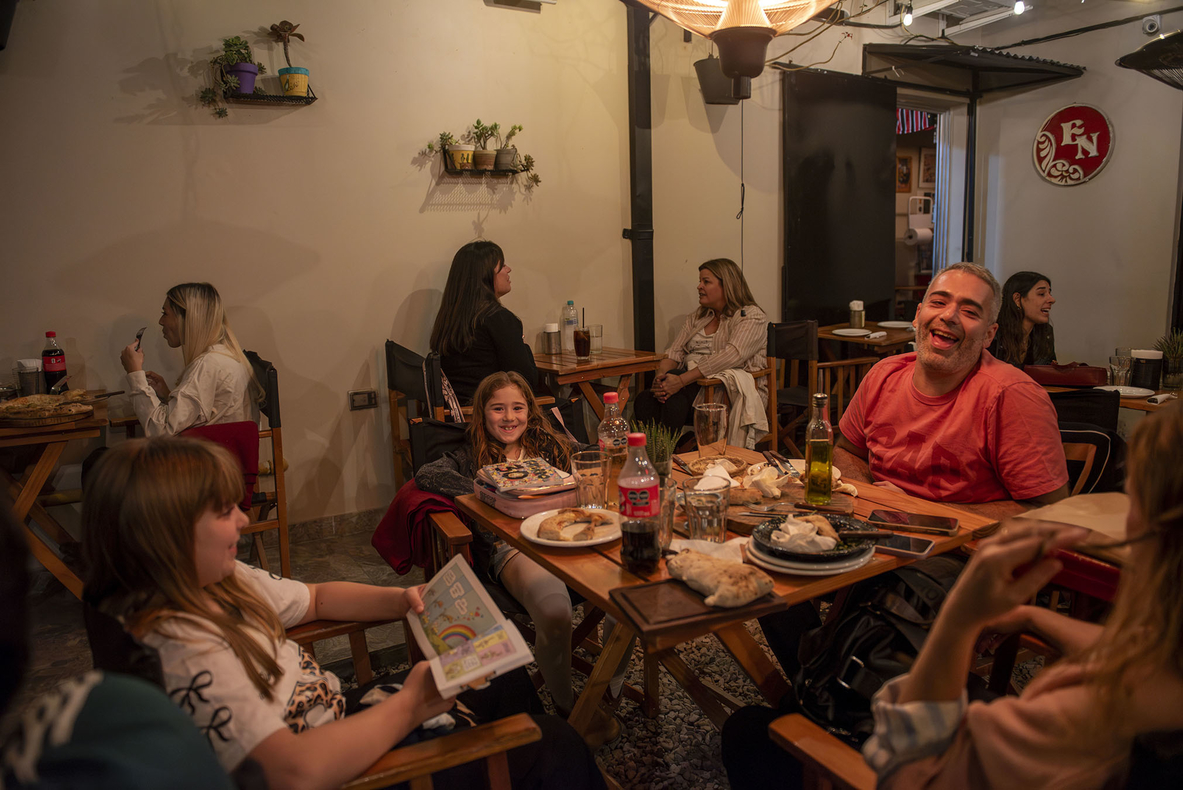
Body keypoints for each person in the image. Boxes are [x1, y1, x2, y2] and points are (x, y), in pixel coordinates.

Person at [81, 437, 603, 790]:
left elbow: (315, 600)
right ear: (167, 536)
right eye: (224, 511)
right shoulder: (185, 650)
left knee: (499, 670)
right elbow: (291, 774)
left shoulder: (217, 579)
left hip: (331, 712)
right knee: (554, 745)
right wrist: (411, 704)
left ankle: (503, 753)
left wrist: (402, 599)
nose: (243, 521)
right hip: (341, 761)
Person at [864, 401, 1183, 788]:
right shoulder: (1165, 661)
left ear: (1159, 533)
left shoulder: (1086, 720)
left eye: (1133, 497)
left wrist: (958, 620)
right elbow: (1144, 651)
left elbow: (903, 775)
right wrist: (1035, 616)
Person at [415, 371, 625, 747]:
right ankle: (570, 707)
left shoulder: (550, 443)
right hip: (512, 548)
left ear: (530, 410)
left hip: (572, 536)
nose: (509, 417)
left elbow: (595, 460)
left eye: (517, 407)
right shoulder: (470, 455)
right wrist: (492, 492)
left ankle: (607, 689)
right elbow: (427, 475)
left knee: (627, 599)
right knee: (556, 612)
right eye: (498, 409)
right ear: (482, 413)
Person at [835, 262, 1068, 520]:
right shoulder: (883, 374)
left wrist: (917, 513)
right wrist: (872, 501)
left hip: (962, 542)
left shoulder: (1012, 396)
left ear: (989, 335)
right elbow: (845, 451)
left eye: (969, 311)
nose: (949, 316)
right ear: (918, 315)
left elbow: (1049, 512)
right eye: (938, 302)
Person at [632, 258, 768, 435]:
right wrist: (661, 379)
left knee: (674, 399)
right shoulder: (697, 317)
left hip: (724, 390)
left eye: (706, 281)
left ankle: (666, 451)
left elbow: (732, 355)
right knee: (644, 399)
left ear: (727, 285)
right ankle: (658, 450)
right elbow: (675, 351)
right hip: (689, 386)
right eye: (700, 281)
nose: (699, 286)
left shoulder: (750, 316)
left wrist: (681, 380)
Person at [119, 282, 262, 437]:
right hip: (226, 451)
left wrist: (135, 373)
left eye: (165, 313)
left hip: (210, 452)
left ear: (188, 318)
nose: (161, 321)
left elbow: (159, 431)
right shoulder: (225, 355)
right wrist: (168, 395)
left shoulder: (209, 364)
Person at [430, 240, 538, 404]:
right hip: (488, 411)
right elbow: (525, 381)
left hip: (457, 411)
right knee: (569, 406)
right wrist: (524, 346)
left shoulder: (451, 317)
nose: (508, 269)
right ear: (485, 275)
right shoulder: (499, 319)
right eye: (502, 265)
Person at [987, 271, 1057, 369]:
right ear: (1017, 299)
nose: (1052, 300)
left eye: (1049, 293)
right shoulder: (993, 333)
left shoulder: (1046, 333)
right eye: (1041, 294)